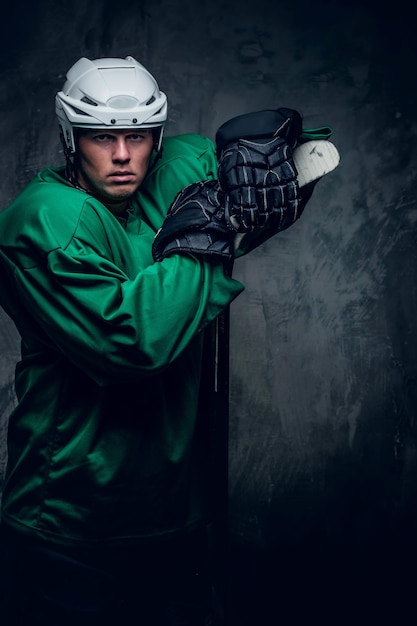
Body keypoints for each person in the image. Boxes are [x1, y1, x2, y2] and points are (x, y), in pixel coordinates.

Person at [0, 55, 338, 625]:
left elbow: (297, 157)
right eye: (102, 138)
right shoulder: (45, 223)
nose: (124, 155)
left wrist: (270, 143)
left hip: (178, 510)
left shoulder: (174, 171)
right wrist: (211, 235)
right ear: (70, 137)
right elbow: (135, 342)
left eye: (139, 135)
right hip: (70, 520)